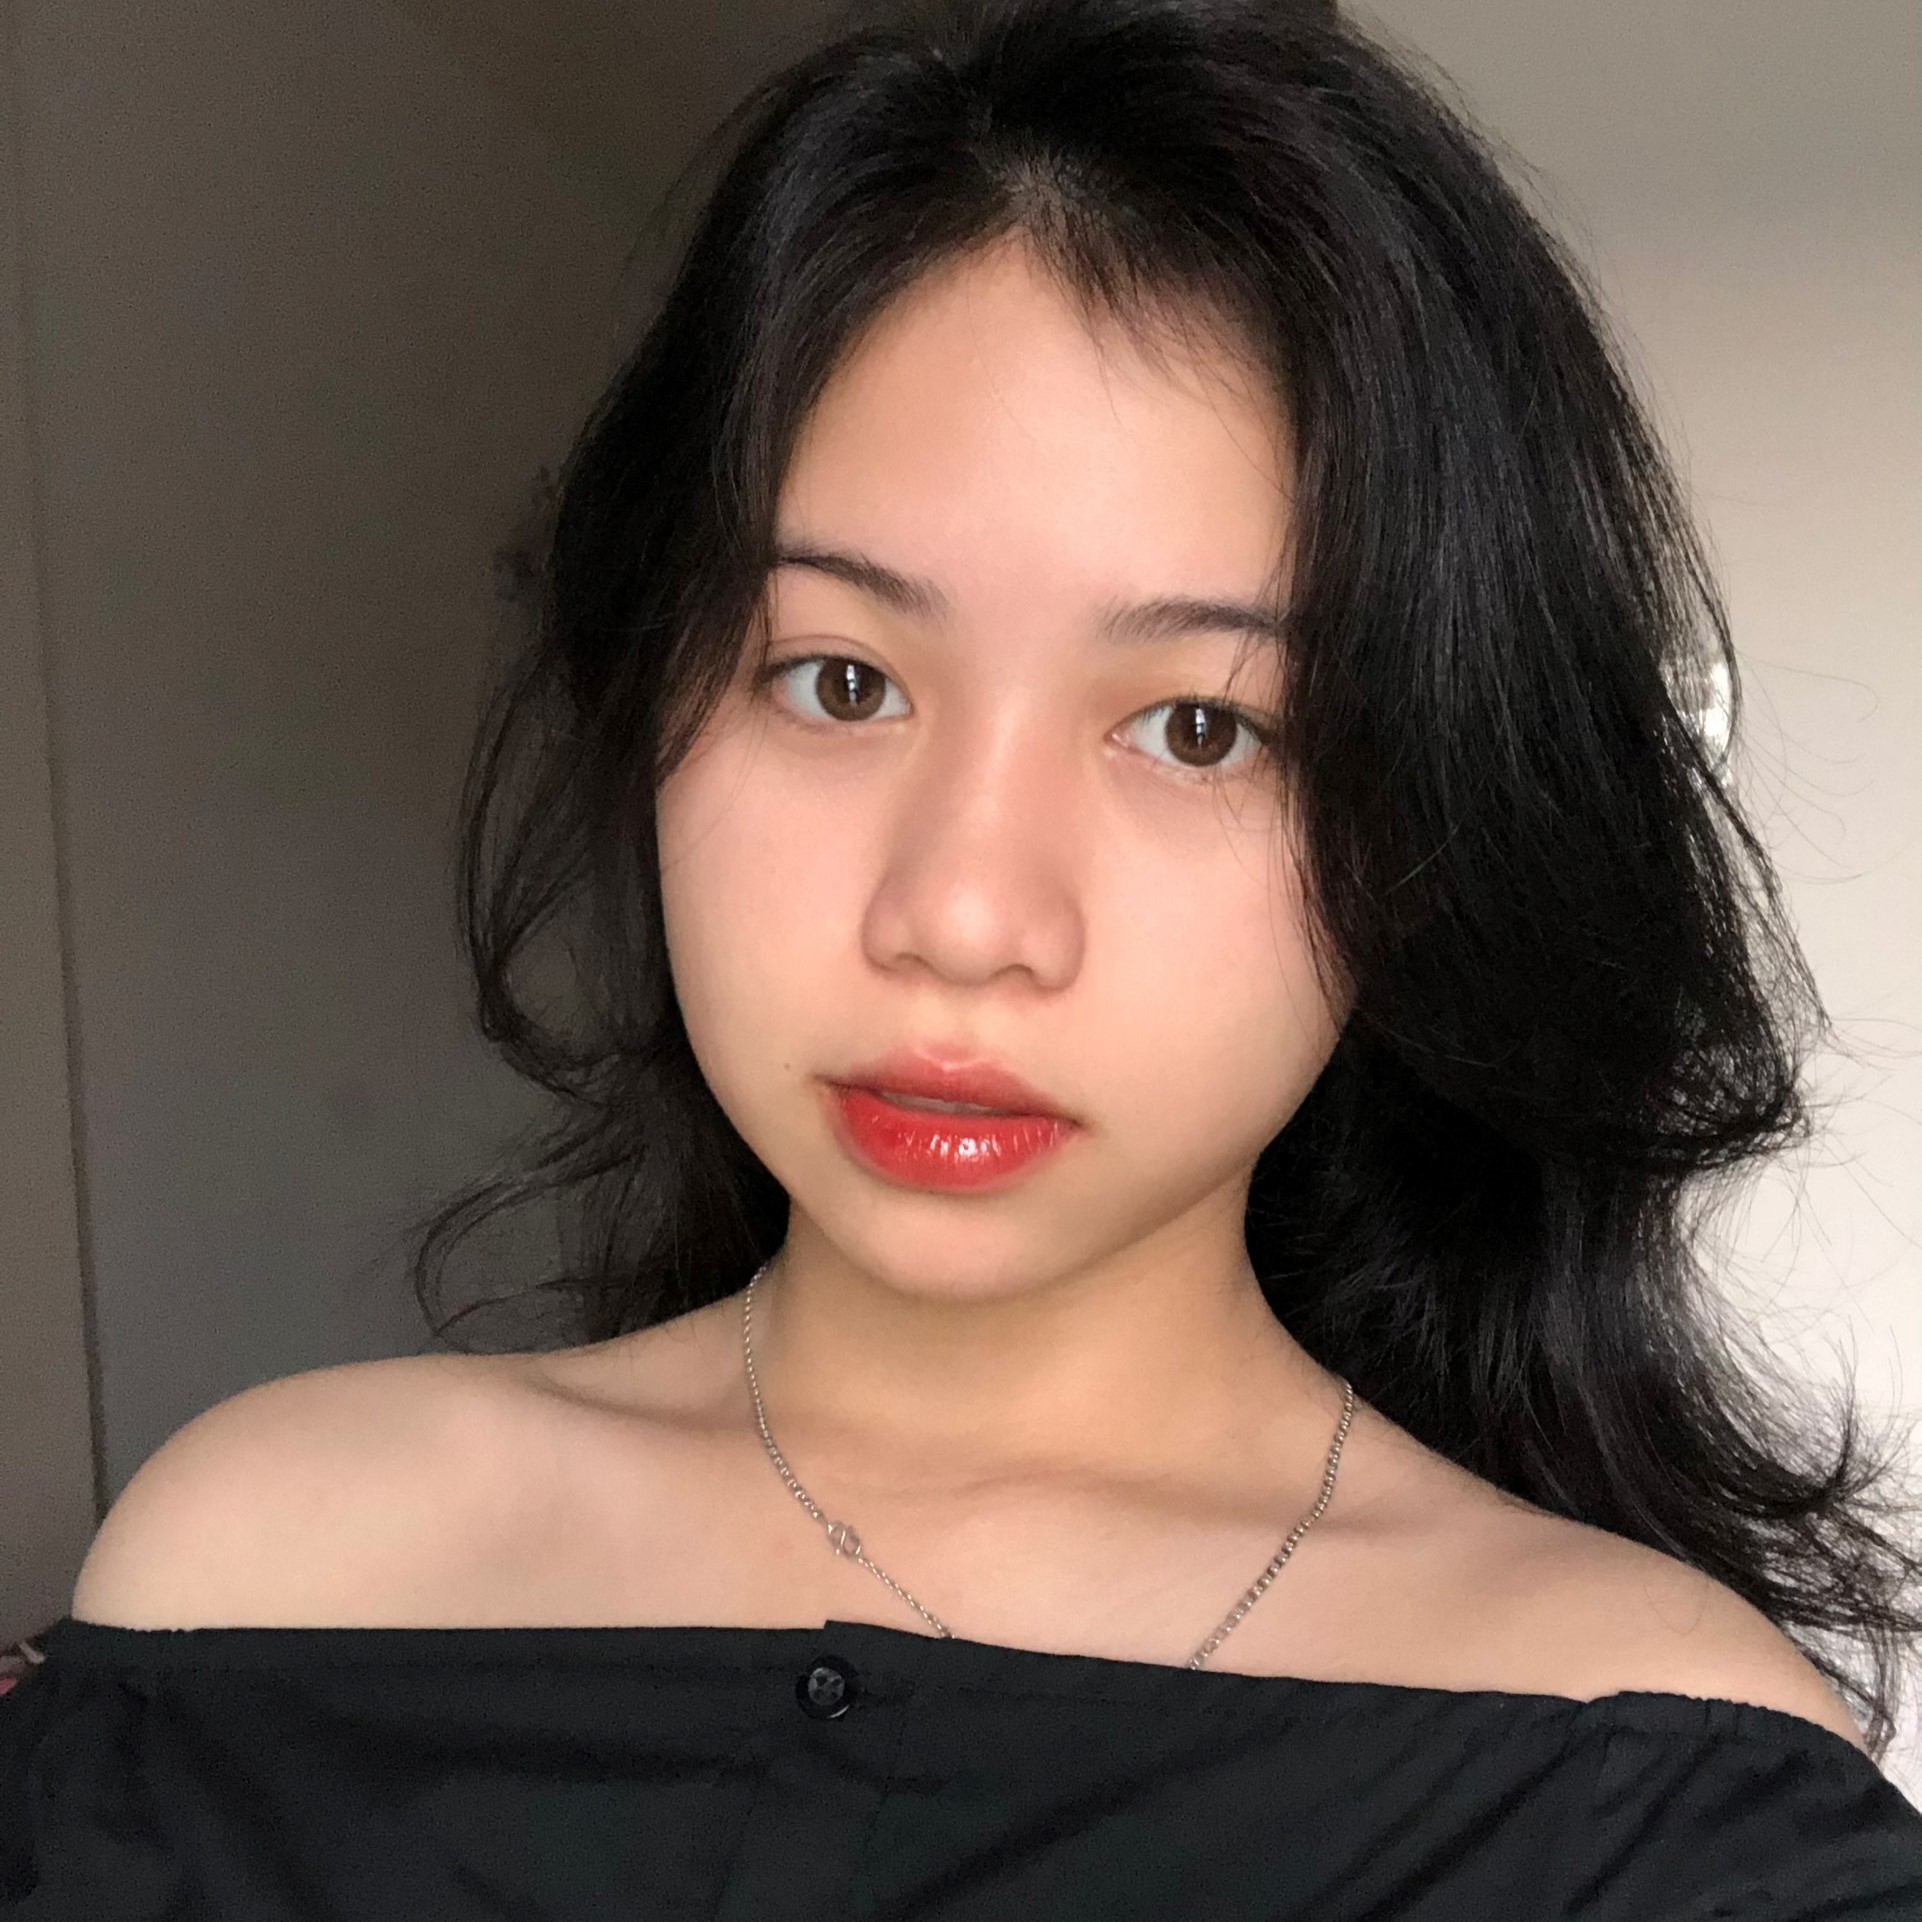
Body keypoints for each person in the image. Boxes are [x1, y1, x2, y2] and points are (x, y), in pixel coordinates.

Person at [4, 0, 1919, 1913]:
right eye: (838, 681)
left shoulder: (1663, 1809)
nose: (963, 915)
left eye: (1198, 727)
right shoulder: (254, 1598)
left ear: (1421, 831)